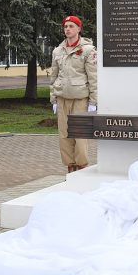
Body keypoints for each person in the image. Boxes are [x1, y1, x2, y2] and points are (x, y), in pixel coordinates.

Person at [50, 16, 97, 173]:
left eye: (71, 26)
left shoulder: (88, 50)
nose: (67, 29)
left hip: (80, 99)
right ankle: (70, 167)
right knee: (64, 135)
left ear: (78, 29)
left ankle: (82, 166)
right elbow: (53, 77)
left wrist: (93, 102)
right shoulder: (58, 51)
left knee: (80, 135)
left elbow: (93, 78)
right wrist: (54, 99)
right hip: (62, 98)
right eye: (65, 26)